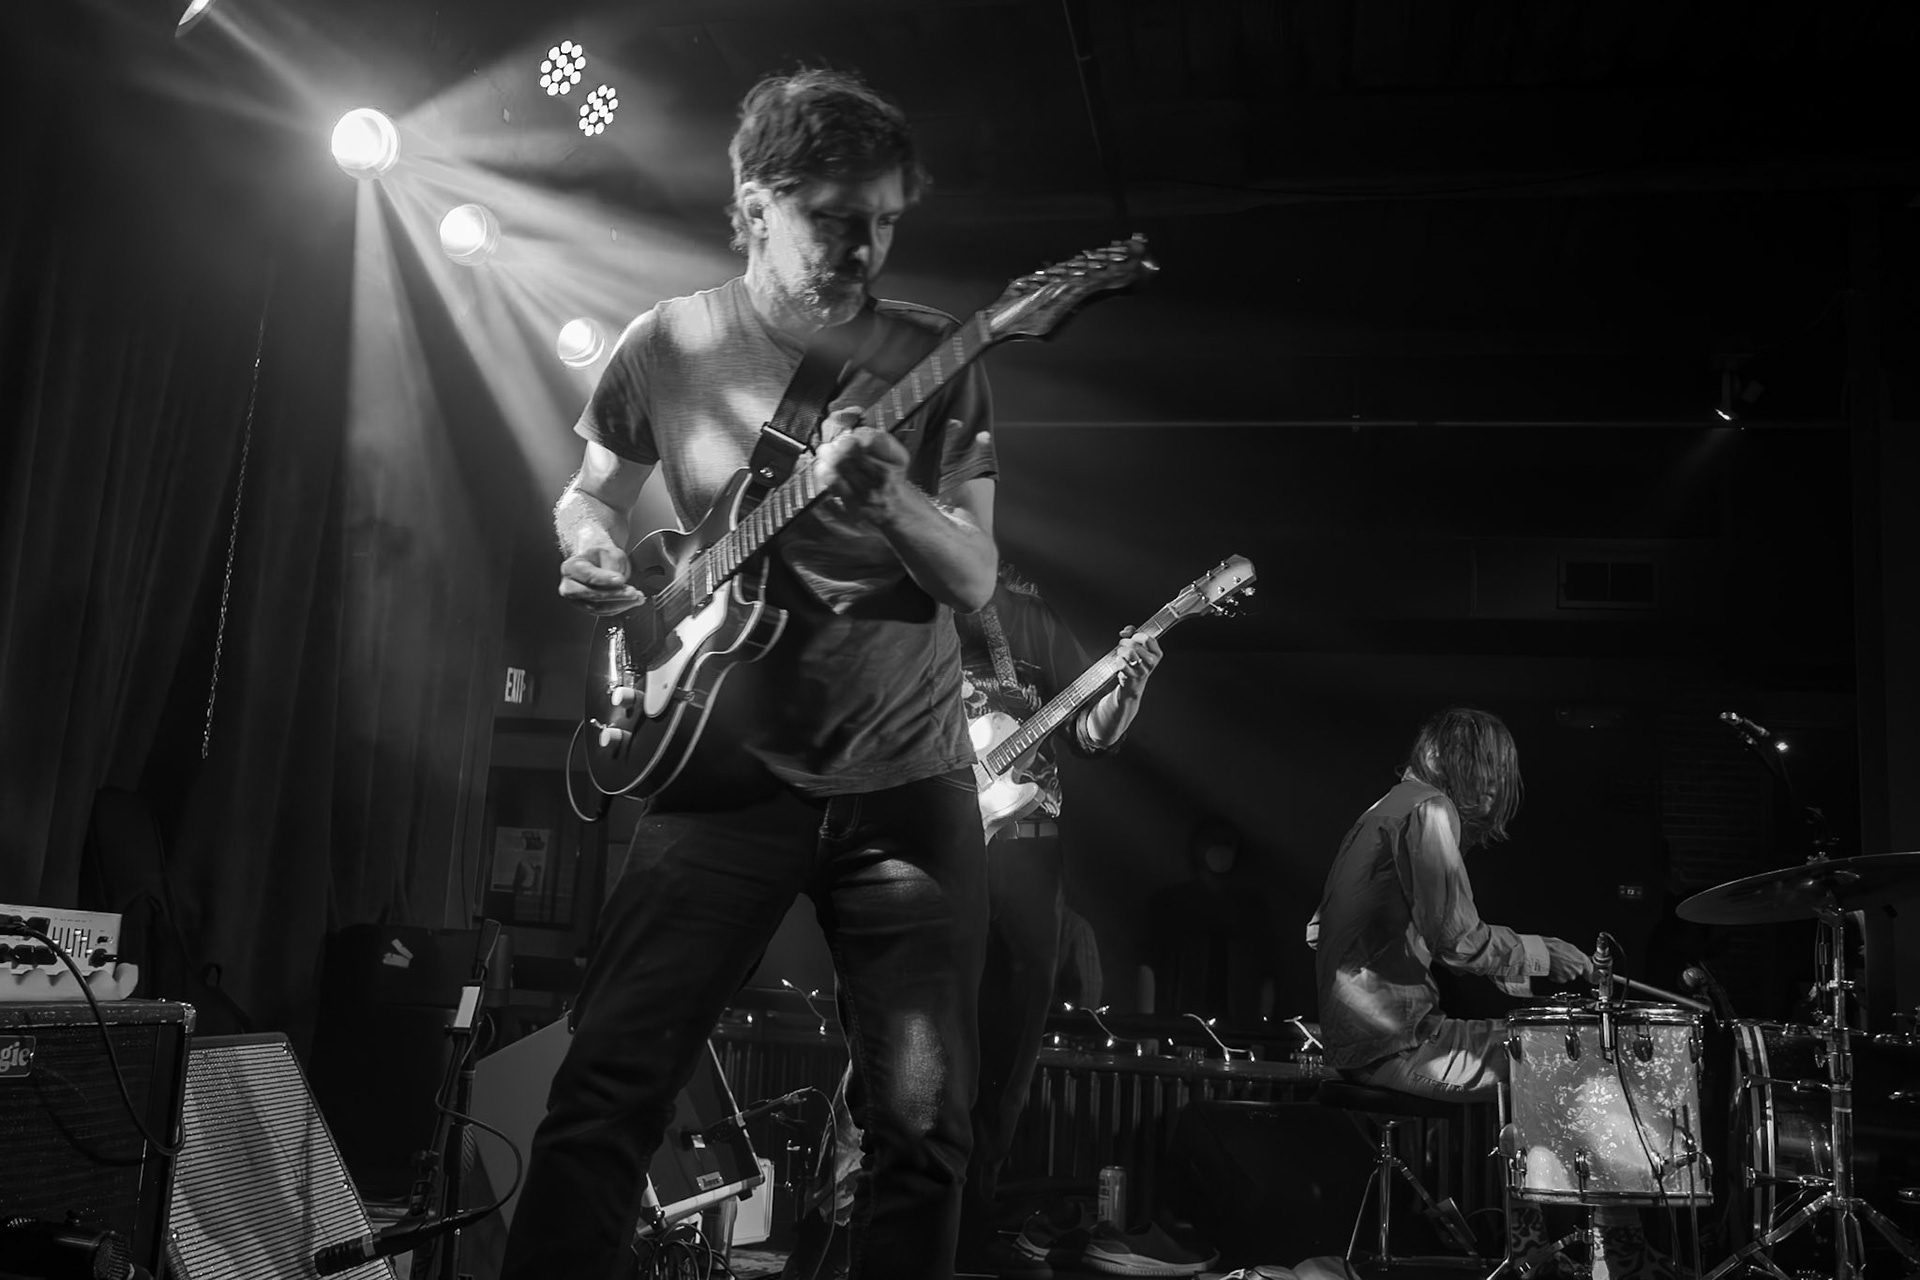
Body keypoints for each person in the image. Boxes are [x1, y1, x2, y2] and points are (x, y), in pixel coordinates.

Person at [499, 68, 999, 1280]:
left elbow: (975, 576)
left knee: (922, 1129)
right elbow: (588, 492)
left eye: (884, 220)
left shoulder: (935, 353)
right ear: (757, 201)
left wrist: (891, 497)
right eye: (836, 215)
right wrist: (589, 546)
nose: (863, 245)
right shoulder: (665, 342)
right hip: (720, 771)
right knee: (607, 1084)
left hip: (906, 781)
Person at [783, 562, 1167, 1279]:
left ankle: (962, 1238)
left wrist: (1131, 686)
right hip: (925, 848)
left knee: (1005, 1062)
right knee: (897, 1057)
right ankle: (833, 1237)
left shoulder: (1027, 616)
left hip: (1027, 856)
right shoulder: (892, 604)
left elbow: (1090, 730)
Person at [1307, 708, 1673, 1280]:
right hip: (1396, 1045)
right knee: (1578, 1060)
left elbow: (1317, 930)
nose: (1500, 788)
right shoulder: (1429, 810)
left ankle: (1537, 1251)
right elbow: (1458, 939)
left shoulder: (1380, 812)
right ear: (1471, 766)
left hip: (1364, 1040)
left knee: (1542, 1061)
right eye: (1495, 772)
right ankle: (1618, 1258)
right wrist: (1544, 953)